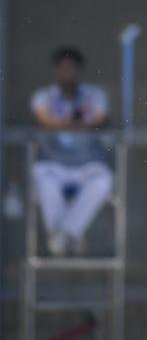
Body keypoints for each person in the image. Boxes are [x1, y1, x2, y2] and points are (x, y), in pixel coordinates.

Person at [30, 47, 113, 256]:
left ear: (79, 71)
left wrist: (65, 124)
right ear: (56, 71)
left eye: (71, 69)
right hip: (54, 163)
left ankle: (65, 233)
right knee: (44, 179)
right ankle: (67, 237)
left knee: (103, 181)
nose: (67, 74)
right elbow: (43, 119)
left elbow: (100, 119)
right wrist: (74, 124)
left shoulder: (94, 94)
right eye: (63, 69)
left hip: (86, 164)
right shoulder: (44, 96)